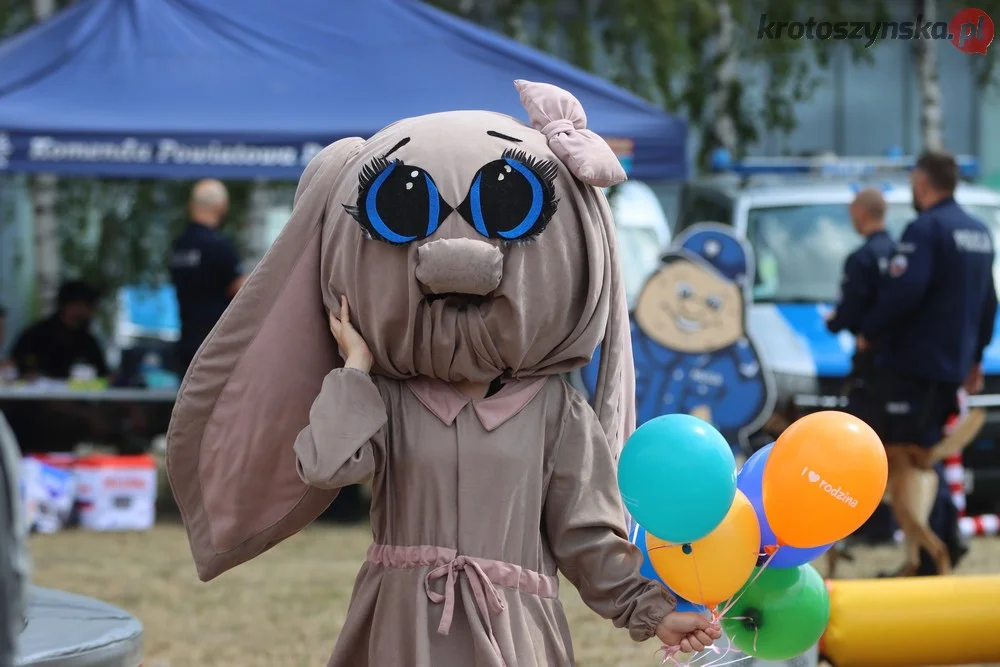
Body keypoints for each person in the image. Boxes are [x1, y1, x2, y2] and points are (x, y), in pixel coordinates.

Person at [166, 81, 721, 665]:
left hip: (513, 634)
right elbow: (324, 466)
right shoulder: (389, 400)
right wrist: (354, 367)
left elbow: (585, 538)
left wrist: (654, 611)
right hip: (399, 628)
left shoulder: (558, 412)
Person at [859, 150, 997, 576]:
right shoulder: (979, 231)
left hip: (913, 367)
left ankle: (938, 548)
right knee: (925, 454)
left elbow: (904, 292)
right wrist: (975, 359)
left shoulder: (926, 229)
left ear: (922, 183)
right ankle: (933, 551)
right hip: (950, 368)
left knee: (912, 459)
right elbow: (988, 302)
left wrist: (869, 331)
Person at [825, 187, 896, 424]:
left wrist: (834, 321)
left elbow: (849, 307)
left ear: (860, 213)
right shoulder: (901, 252)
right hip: (900, 360)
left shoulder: (862, 258)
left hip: (869, 360)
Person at [169, 179, 246, 375]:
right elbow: (241, 290)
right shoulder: (219, 246)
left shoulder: (179, 245)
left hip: (187, 339)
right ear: (222, 206)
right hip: (215, 343)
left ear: (191, 205)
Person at [10, 281, 108, 380]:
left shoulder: (88, 342)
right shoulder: (34, 336)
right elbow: (13, 369)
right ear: (67, 305)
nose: (88, 313)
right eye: (84, 306)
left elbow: (103, 376)